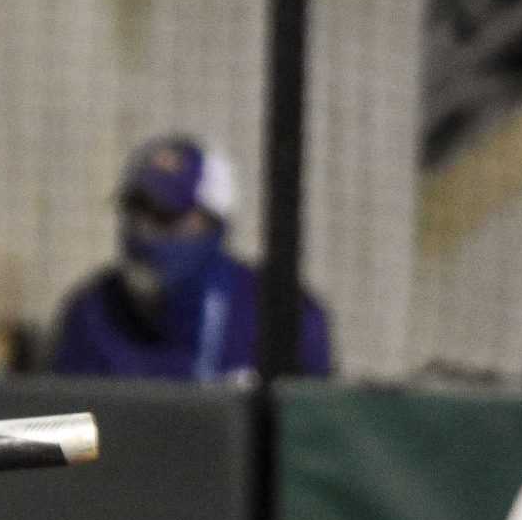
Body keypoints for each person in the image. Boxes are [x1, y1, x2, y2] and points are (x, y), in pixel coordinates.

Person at [48, 136, 333, 380]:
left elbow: (312, 433)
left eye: (165, 216)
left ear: (213, 222)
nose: (144, 229)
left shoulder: (280, 314)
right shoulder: (92, 312)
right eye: (136, 210)